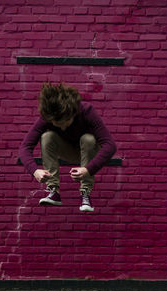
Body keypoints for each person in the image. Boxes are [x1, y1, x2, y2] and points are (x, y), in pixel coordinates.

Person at [19, 82, 116, 212]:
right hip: (66, 150)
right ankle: (54, 191)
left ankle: (85, 193)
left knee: (88, 138)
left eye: (65, 123)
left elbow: (110, 145)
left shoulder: (86, 111)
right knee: (47, 136)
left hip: (88, 151)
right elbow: (25, 147)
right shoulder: (47, 116)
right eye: (57, 124)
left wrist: (88, 170)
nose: (62, 127)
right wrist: (35, 171)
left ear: (72, 114)